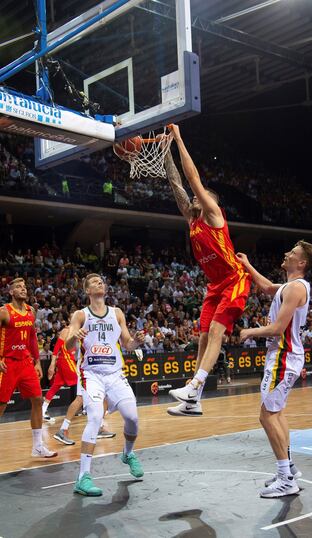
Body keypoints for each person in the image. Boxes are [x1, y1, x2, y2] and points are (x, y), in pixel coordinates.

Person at [164, 124, 251, 416]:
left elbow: (191, 178)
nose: (195, 197)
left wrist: (178, 138)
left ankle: (196, 383)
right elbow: (178, 184)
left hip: (235, 279)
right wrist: (165, 153)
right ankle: (194, 398)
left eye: (202, 195)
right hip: (215, 285)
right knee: (202, 335)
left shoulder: (214, 215)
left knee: (216, 331)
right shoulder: (191, 220)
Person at [238, 240, 312, 498]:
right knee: (277, 413)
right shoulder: (290, 286)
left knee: (267, 416)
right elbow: (265, 287)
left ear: (302, 263)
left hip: (283, 357)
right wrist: (248, 265)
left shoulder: (296, 288)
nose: (286, 254)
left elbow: (276, 329)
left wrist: (249, 331)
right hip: (286, 356)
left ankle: (285, 479)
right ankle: (290, 469)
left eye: (293, 253)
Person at [66, 273, 145, 496]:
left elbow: (127, 343)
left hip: (114, 373)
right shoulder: (81, 315)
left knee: (132, 418)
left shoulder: (116, 313)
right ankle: (83, 478)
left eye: (101, 281)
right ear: (87, 291)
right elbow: (68, 344)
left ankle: (128, 453)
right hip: (91, 374)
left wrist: (136, 342)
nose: (100, 283)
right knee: (94, 418)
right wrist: (76, 336)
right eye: (94, 282)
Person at [0, 278, 57, 458]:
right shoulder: (3, 312)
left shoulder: (31, 311)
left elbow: (32, 338)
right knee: (1, 405)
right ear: (11, 292)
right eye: (18, 287)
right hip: (7, 363)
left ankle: (38, 446)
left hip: (25, 362)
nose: (23, 289)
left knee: (38, 400)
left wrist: (38, 362)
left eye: (24, 287)